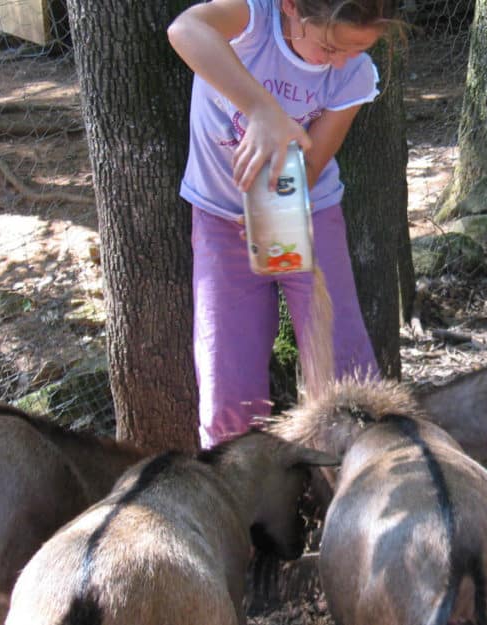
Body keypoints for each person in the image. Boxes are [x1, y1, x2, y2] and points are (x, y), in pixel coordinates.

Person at [168, 0, 396, 447]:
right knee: (227, 383)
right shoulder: (253, 18)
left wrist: (266, 214)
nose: (341, 62)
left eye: (357, 49)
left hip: (304, 212)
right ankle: (244, 491)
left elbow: (310, 166)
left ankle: (352, 479)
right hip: (219, 220)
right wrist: (263, 110)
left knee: (343, 371)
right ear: (291, 6)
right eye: (330, 48)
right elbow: (185, 29)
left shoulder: (353, 73)